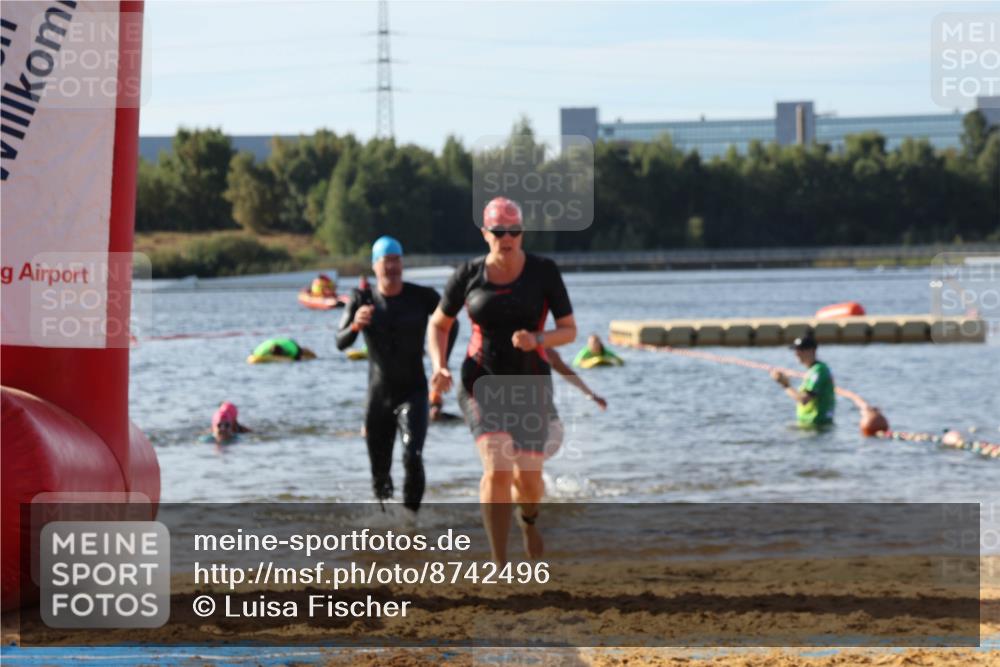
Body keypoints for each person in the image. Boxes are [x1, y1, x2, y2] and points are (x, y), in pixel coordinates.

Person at [428, 196, 577, 564]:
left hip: (531, 383)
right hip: (480, 380)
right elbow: (439, 324)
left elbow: (569, 330)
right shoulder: (468, 275)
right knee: (497, 466)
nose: (507, 238)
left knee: (529, 481)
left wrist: (537, 339)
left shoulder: (543, 272)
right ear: (485, 233)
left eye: (514, 231)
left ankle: (529, 521)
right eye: (498, 232)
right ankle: (499, 563)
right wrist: (439, 365)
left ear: (522, 232)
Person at [337, 236, 456, 515]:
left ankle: (410, 521)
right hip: (378, 396)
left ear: (402, 263)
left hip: (414, 391)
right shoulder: (361, 299)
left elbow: (451, 324)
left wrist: (440, 363)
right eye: (386, 261)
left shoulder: (422, 296)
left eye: (396, 260)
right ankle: (384, 521)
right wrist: (355, 326)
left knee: (412, 456)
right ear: (374, 265)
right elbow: (340, 342)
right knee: (380, 472)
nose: (392, 267)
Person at [770, 333, 836, 428]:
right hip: (809, 425)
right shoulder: (813, 370)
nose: (797, 353)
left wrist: (785, 385)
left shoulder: (819, 370)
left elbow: (804, 399)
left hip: (817, 426)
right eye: (796, 350)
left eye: (801, 349)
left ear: (812, 350)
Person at [251, 337, 316, 361]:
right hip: (274, 342)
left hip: (291, 343)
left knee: (302, 351)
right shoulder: (262, 350)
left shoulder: (293, 350)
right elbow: (253, 354)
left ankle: (314, 356)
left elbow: (297, 358)